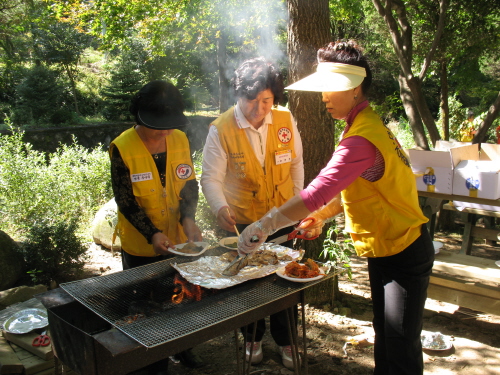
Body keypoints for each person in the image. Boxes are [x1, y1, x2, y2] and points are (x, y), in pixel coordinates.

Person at [238, 41, 434, 375]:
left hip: (404, 251)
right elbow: (359, 189)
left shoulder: (362, 138)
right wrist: (322, 217)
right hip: (387, 247)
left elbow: (315, 192)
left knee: (401, 347)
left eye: (332, 88)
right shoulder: (364, 125)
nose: (324, 96)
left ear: (356, 88)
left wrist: (264, 225)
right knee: (386, 335)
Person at [200, 57, 304, 370]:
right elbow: (210, 178)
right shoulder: (221, 129)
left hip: (283, 219)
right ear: (238, 95)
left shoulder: (285, 119)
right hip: (244, 223)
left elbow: (296, 163)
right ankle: (253, 337)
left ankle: (286, 341)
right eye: (251, 100)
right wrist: (219, 206)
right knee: (248, 284)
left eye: (266, 101)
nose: (259, 109)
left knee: (285, 281)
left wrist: (297, 202)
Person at [109, 80, 204, 374]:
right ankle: (152, 362)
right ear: (139, 116)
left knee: (181, 298)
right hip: (140, 244)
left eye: (169, 124)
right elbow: (126, 201)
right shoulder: (122, 147)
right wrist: (152, 233)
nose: (164, 131)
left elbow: (188, 183)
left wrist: (188, 217)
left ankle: (182, 348)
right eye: (157, 125)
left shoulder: (179, 139)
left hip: (176, 240)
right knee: (146, 306)